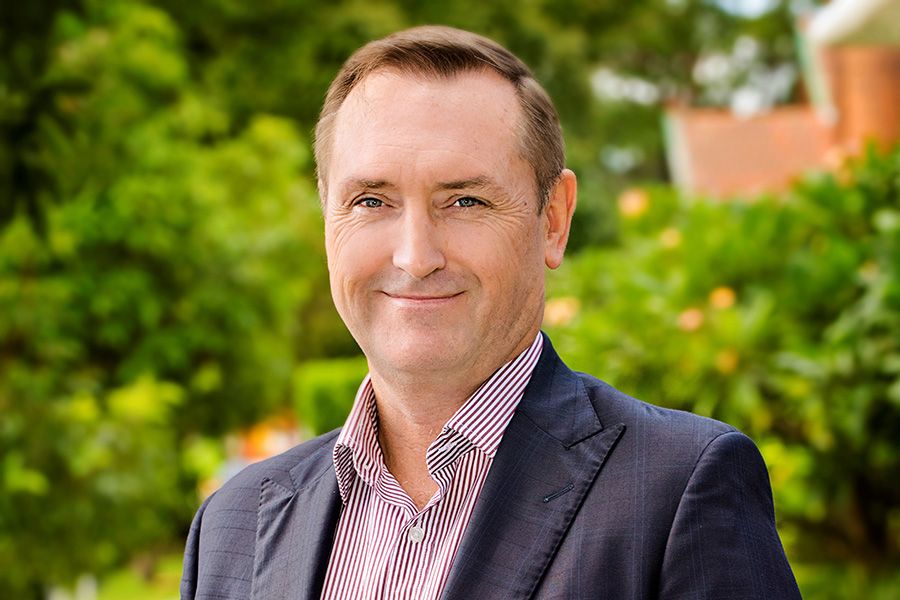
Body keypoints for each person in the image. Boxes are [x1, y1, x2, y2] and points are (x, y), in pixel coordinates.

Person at [180, 26, 801, 600]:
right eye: (371, 200)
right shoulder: (232, 526)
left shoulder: (679, 488)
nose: (415, 256)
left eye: (466, 201)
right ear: (327, 219)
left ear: (553, 219)